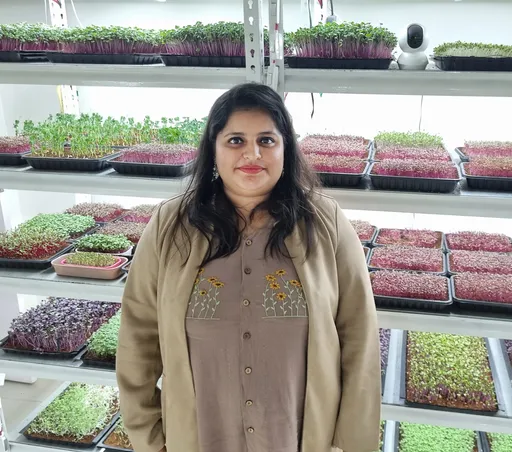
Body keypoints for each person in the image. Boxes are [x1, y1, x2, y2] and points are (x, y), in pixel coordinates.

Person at [115, 82, 381, 452]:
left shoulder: (325, 223)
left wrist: (347, 443)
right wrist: (151, 440)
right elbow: (137, 340)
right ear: (214, 148)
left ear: (286, 148)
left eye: (267, 140)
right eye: (236, 140)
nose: (252, 154)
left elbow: (359, 341)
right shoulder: (170, 226)